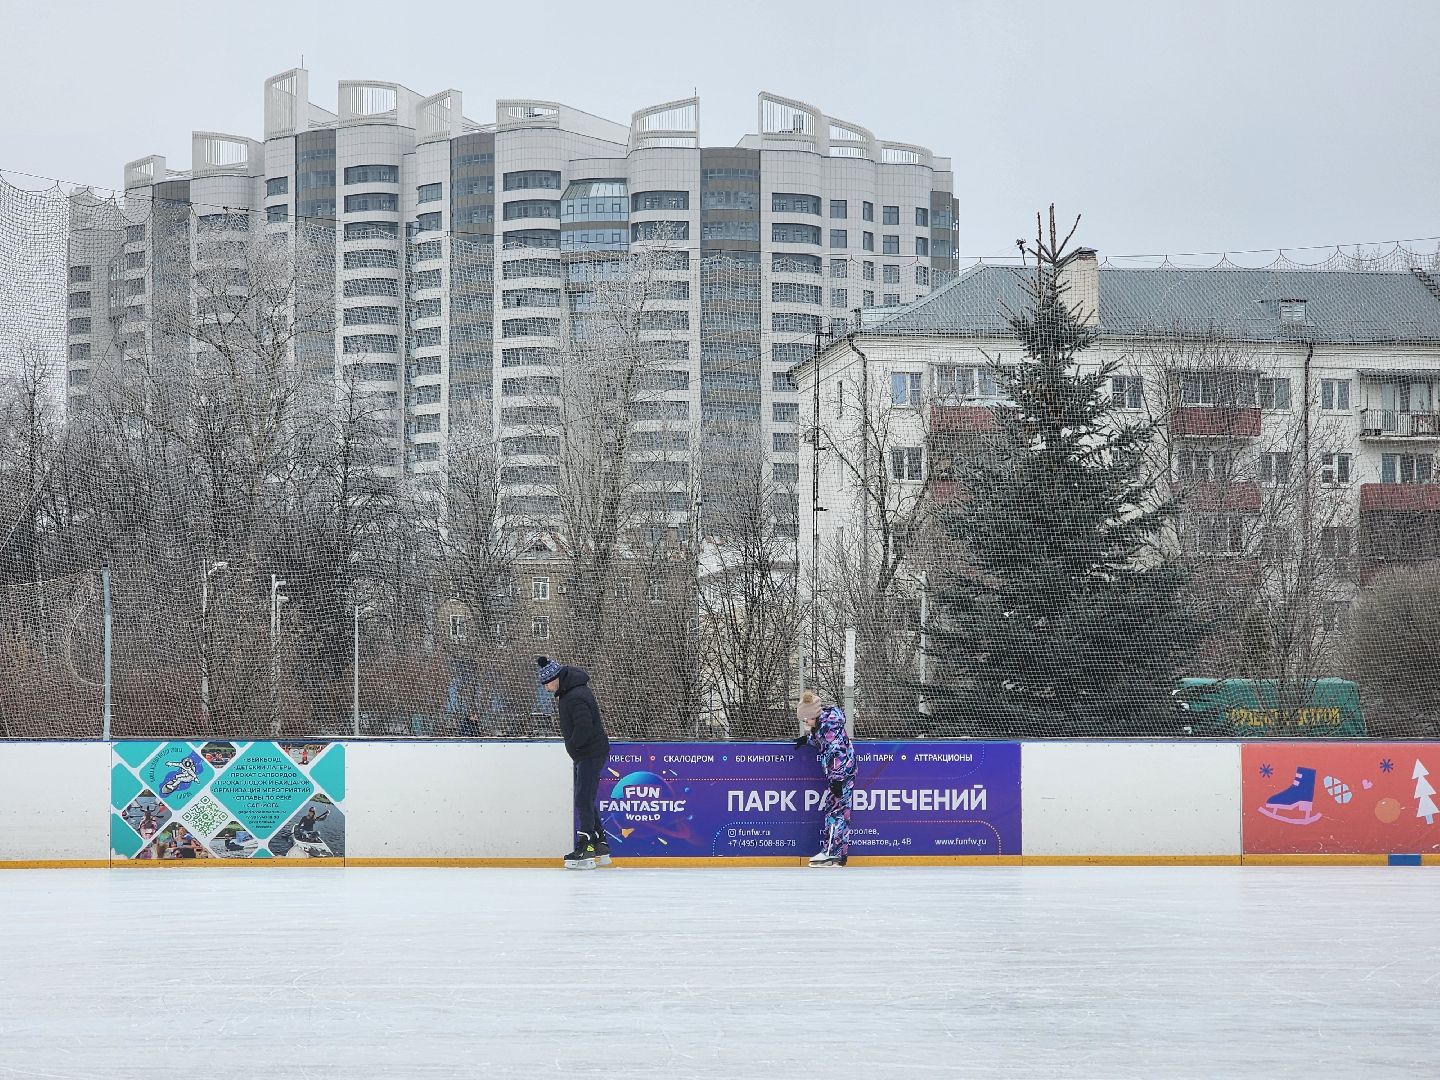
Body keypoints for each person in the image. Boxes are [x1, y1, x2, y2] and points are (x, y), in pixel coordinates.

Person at [537, 656, 611, 870]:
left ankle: (586, 846)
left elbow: (584, 726)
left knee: (582, 798)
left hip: (589, 752)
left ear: (554, 679)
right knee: (585, 797)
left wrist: (573, 745)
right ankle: (600, 845)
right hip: (586, 753)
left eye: (547, 684)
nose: (547, 689)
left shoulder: (574, 696)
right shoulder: (570, 692)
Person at [794, 691, 857, 867]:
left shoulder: (829, 728)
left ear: (813, 715)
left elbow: (837, 752)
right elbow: (823, 742)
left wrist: (837, 779)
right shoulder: (824, 725)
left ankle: (830, 853)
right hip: (842, 773)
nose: (805, 722)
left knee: (835, 812)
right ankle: (839, 855)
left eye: (806, 719)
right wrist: (807, 739)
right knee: (839, 812)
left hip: (841, 774)